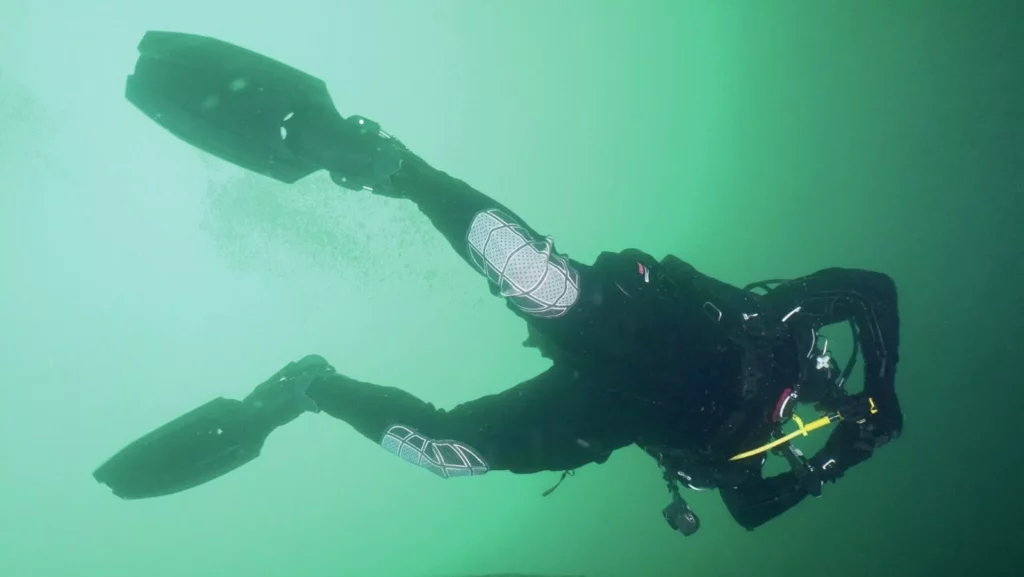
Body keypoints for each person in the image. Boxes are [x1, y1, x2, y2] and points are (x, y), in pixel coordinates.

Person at [93, 31, 905, 535]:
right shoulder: (784, 329)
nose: (817, 398)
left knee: (453, 454)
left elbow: (751, 512)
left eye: (822, 406)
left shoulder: (766, 446)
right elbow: (872, 287)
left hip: (607, 413)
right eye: (831, 388)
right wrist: (886, 386)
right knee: (530, 276)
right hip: (637, 326)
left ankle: (313, 388)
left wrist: (839, 457)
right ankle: (392, 165)